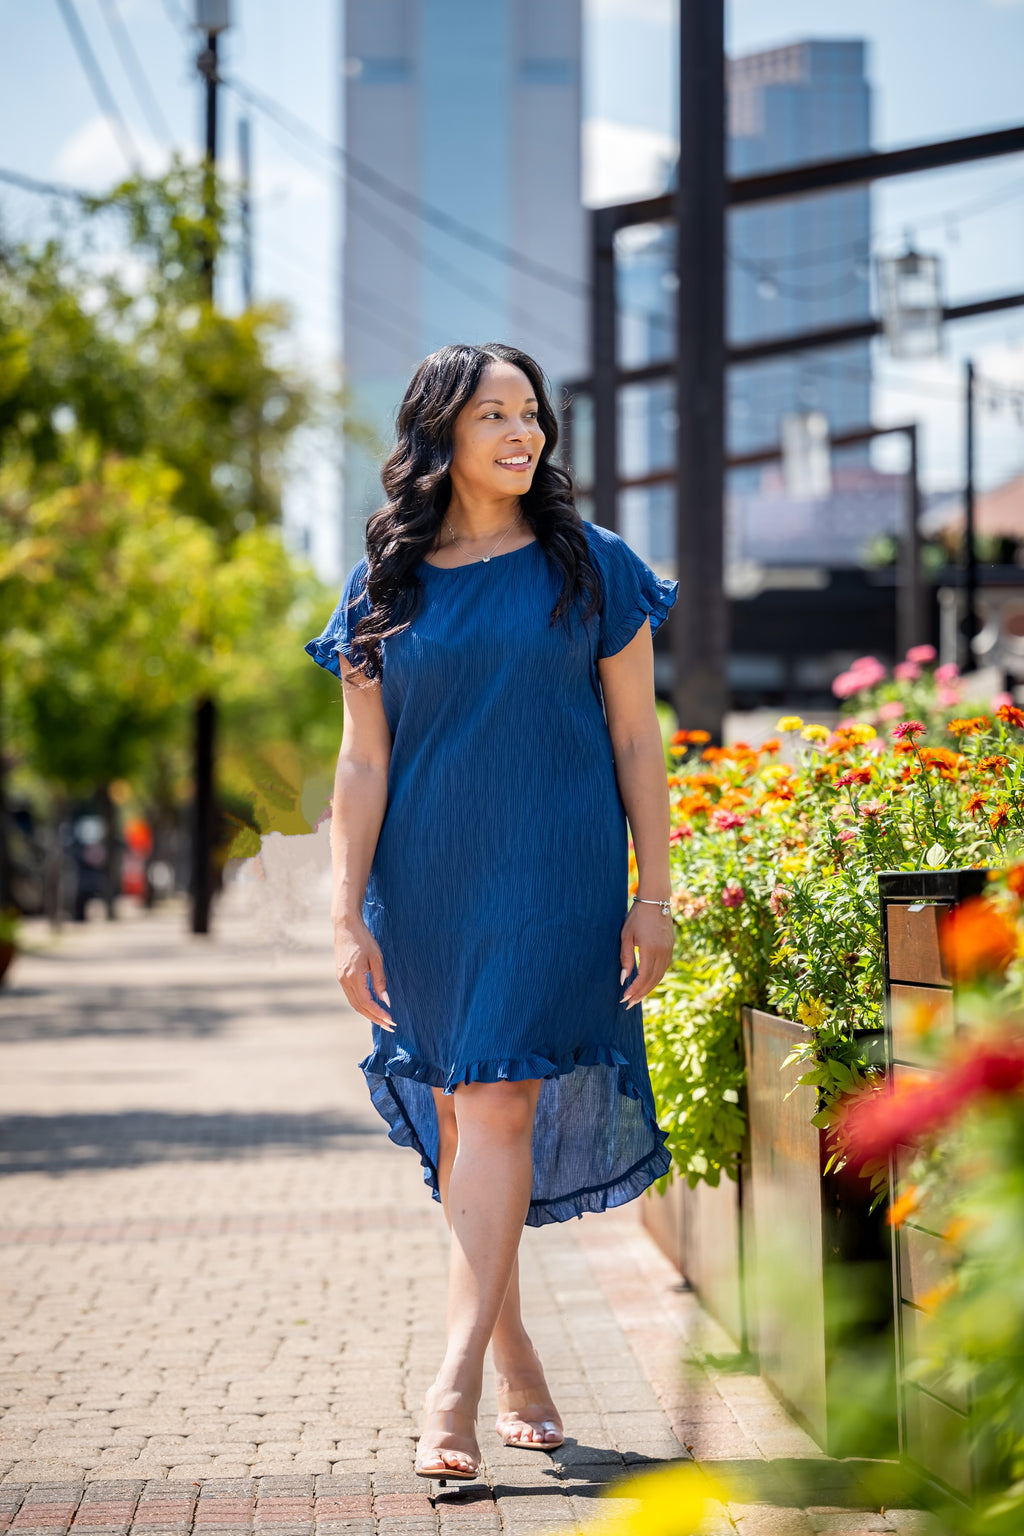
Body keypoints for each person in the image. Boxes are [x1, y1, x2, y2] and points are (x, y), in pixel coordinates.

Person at [305, 342, 678, 1483]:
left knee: (499, 1104)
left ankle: (451, 1382)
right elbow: (361, 764)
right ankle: (516, 1356)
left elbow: (634, 738)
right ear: (441, 439)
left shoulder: (592, 565)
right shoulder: (384, 587)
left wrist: (653, 894)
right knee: (468, 1122)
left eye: (532, 416)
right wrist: (341, 915)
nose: (524, 436)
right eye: (496, 417)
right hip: (426, 886)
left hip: (553, 875)